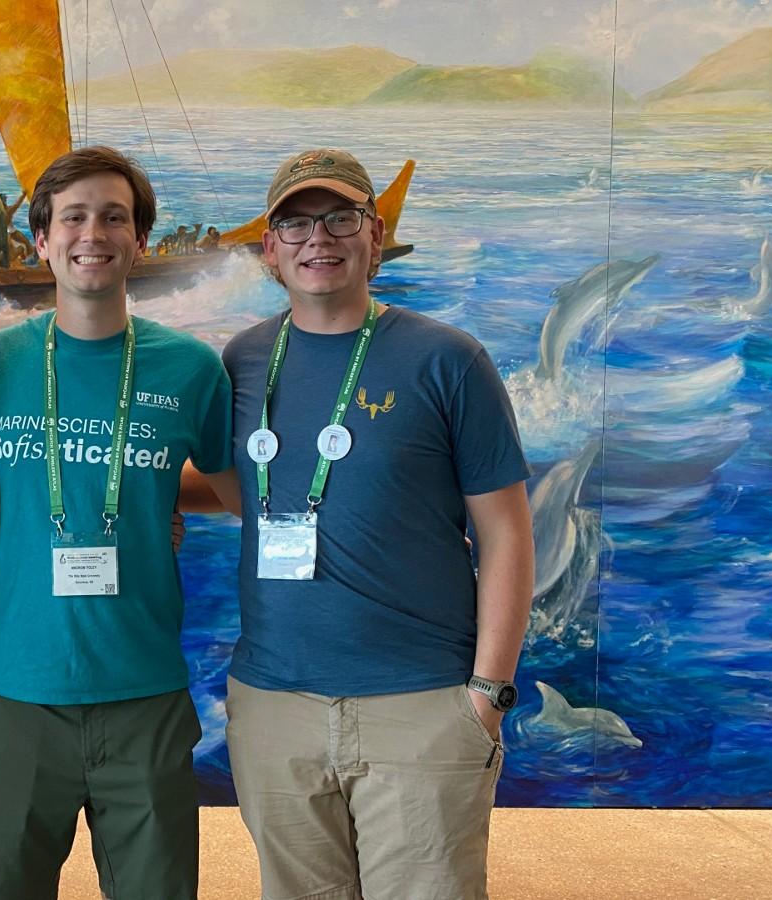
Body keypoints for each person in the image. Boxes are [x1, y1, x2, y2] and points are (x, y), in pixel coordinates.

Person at [192, 148, 534, 900]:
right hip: (274, 707)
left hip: (421, 704)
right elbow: (232, 487)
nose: (319, 238)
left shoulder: (448, 360)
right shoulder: (242, 361)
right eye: (295, 223)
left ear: (374, 235)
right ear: (269, 250)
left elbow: (507, 534)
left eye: (340, 218)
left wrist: (487, 693)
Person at [0, 146, 236, 900]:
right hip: (17, 690)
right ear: (42, 240)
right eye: (73, 217)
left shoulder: (190, 368)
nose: (94, 232)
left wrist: (153, 505)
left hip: (142, 688)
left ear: (139, 240)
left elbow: (238, 488)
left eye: (115, 217)